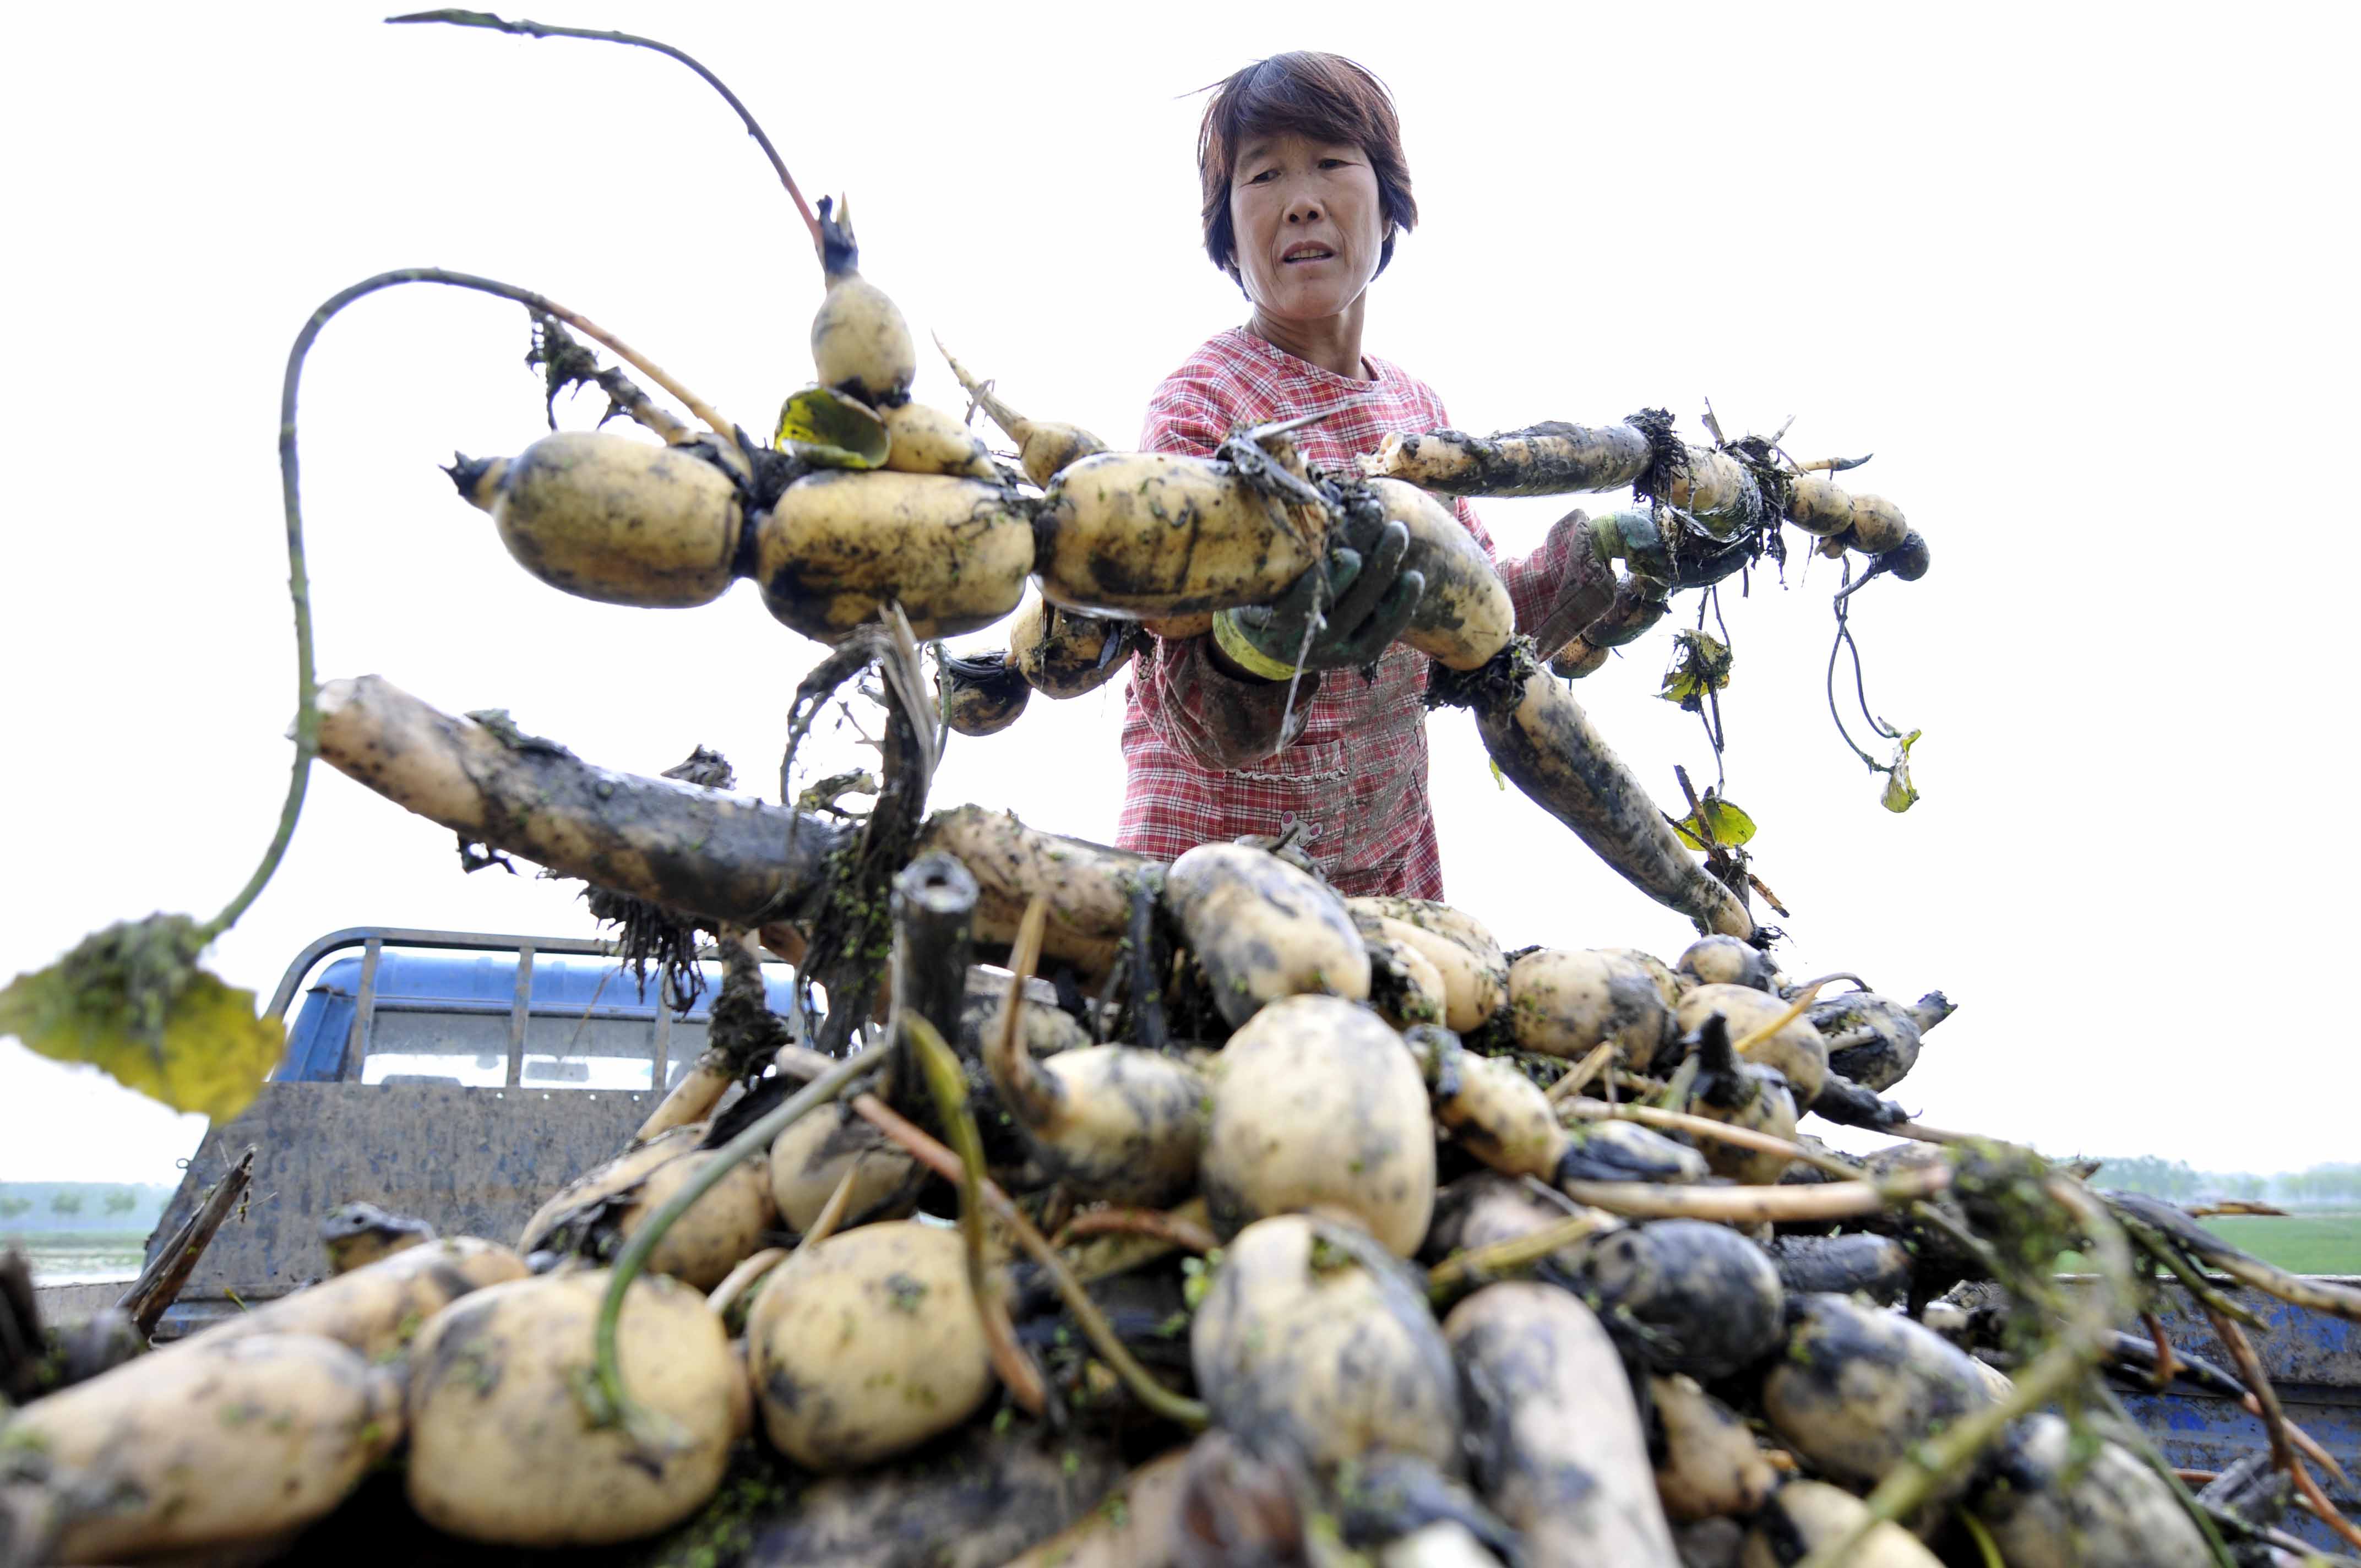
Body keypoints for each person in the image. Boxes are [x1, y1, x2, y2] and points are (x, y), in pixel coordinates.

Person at [1116, 52, 1609, 900]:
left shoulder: (1420, 411)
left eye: (1333, 163)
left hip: (1384, 867)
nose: (1301, 197)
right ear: (1226, 233)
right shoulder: (1202, 406)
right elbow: (1192, 697)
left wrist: (1603, 567)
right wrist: (1260, 651)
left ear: (1389, 204)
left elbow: (1478, 622)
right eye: (1264, 173)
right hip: (1213, 871)